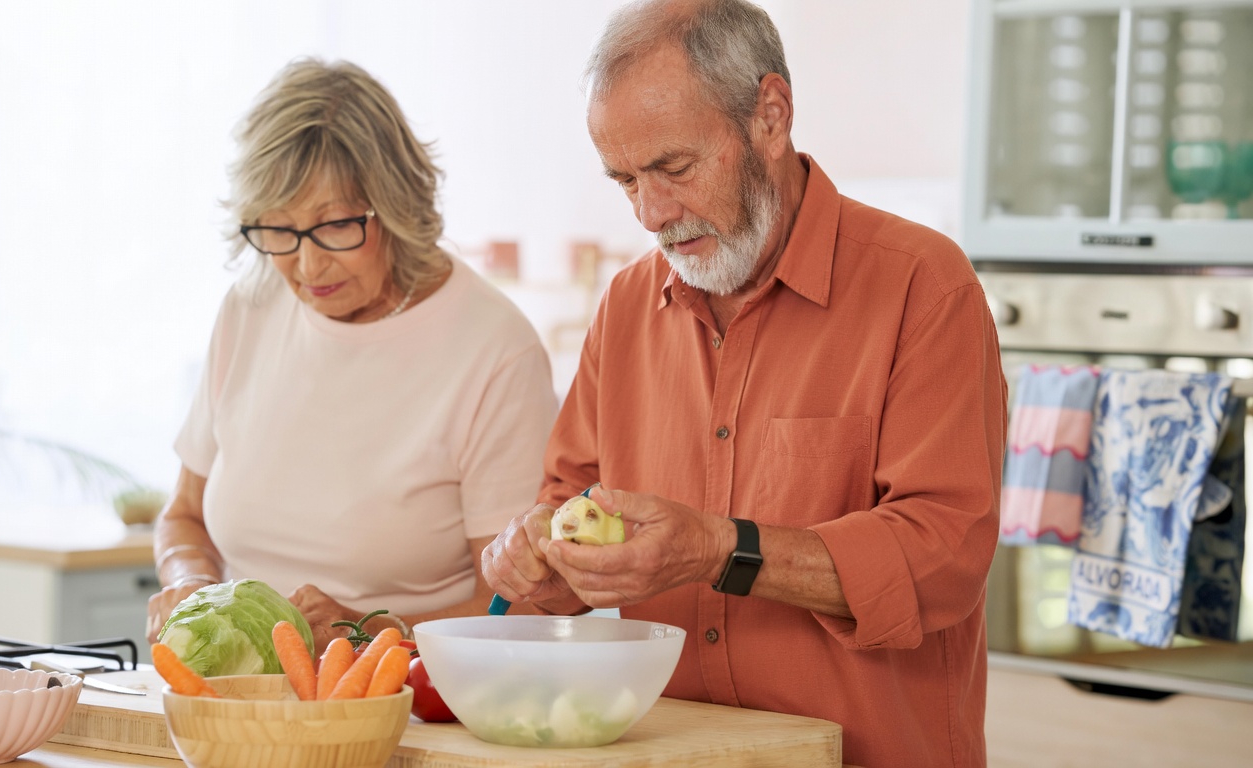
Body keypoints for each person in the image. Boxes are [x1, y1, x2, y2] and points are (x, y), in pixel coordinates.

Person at [480, 1, 1007, 766]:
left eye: (675, 168)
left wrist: (720, 551)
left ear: (771, 115)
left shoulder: (923, 286)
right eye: (625, 180)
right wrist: (537, 558)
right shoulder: (625, 306)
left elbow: (943, 558)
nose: (651, 213)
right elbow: (571, 505)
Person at [148, 58, 559, 655]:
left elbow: (514, 606)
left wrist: (367, 630)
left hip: (403, 691)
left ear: (397, 206)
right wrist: (188, 583)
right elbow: (184, 515)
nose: (308, 266)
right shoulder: (251, 305)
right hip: (242, 688)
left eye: (335, 225)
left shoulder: (495, 350)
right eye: (278, 230)